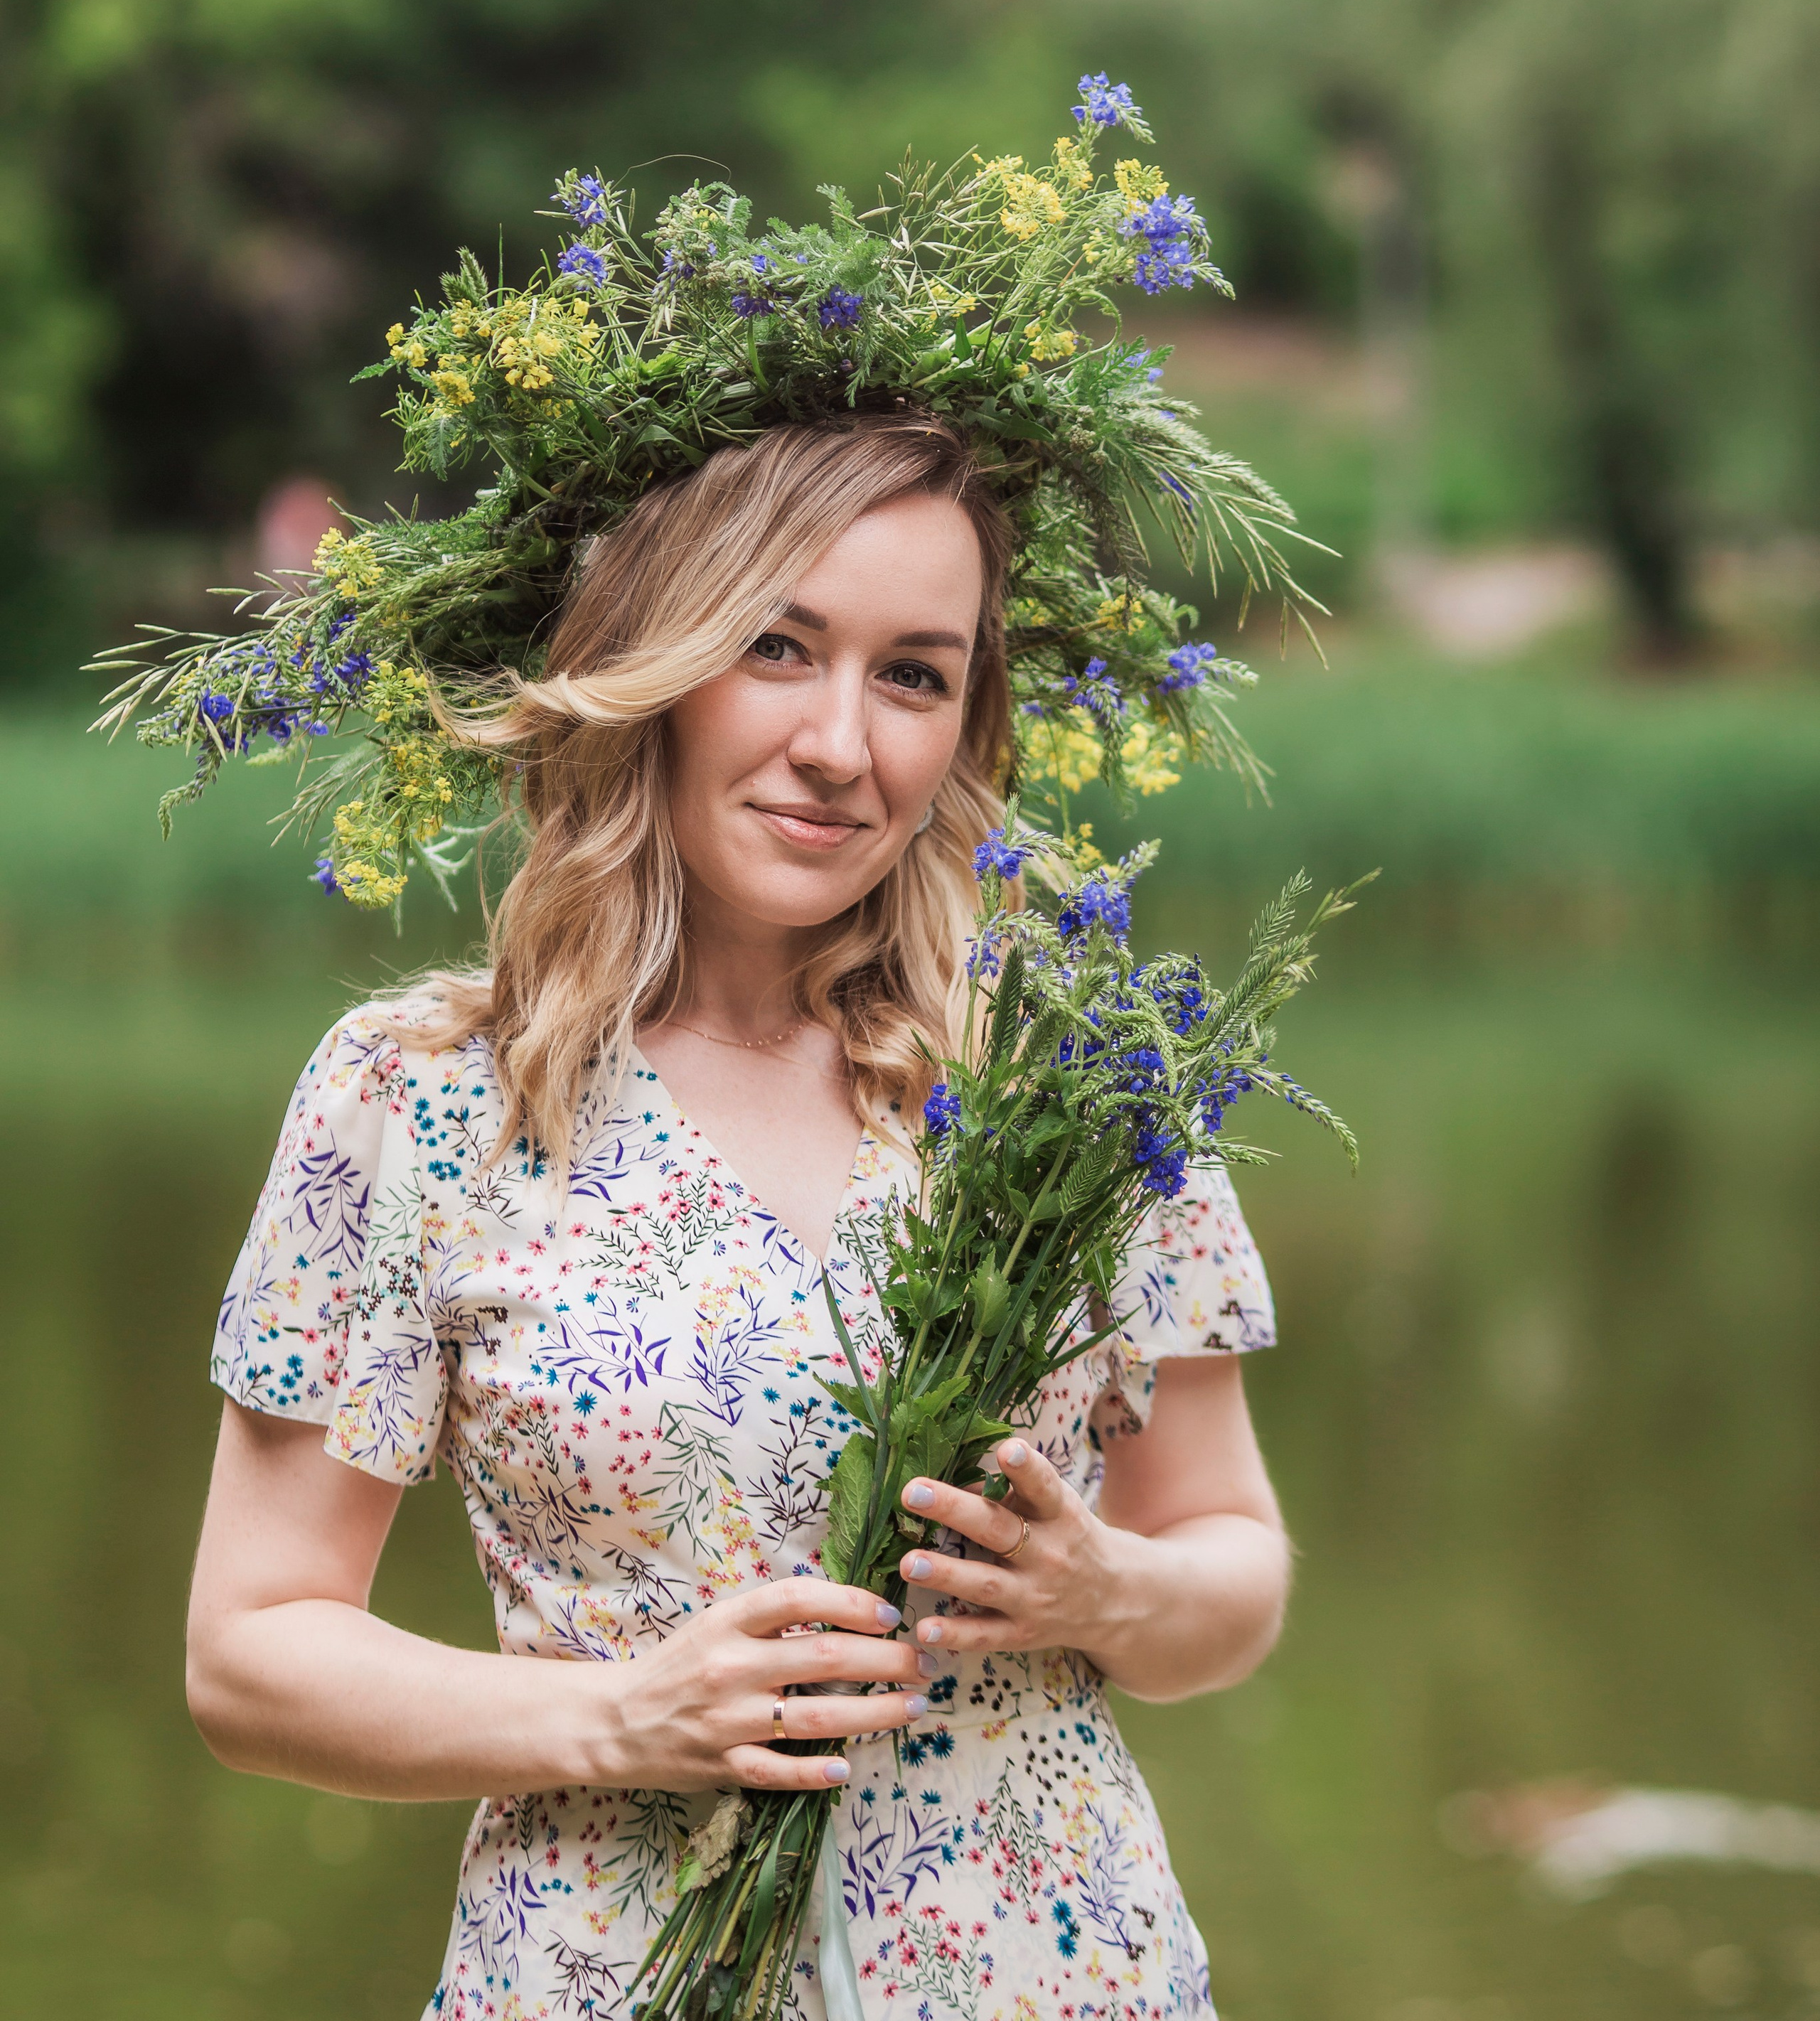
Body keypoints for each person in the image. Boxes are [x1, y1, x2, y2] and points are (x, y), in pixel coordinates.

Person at [186, 414, 1290, 2020]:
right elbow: (251, 1656)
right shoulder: (420, 1099)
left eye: (913, 673)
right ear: (657, 658)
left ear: (963, 718)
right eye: (778, 646)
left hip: (1053, 1974)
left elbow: (1231, 1567)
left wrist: (1105, 1593)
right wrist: (621, 1717)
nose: (843, 744)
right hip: (609, 1977)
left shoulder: (1070, 1077)